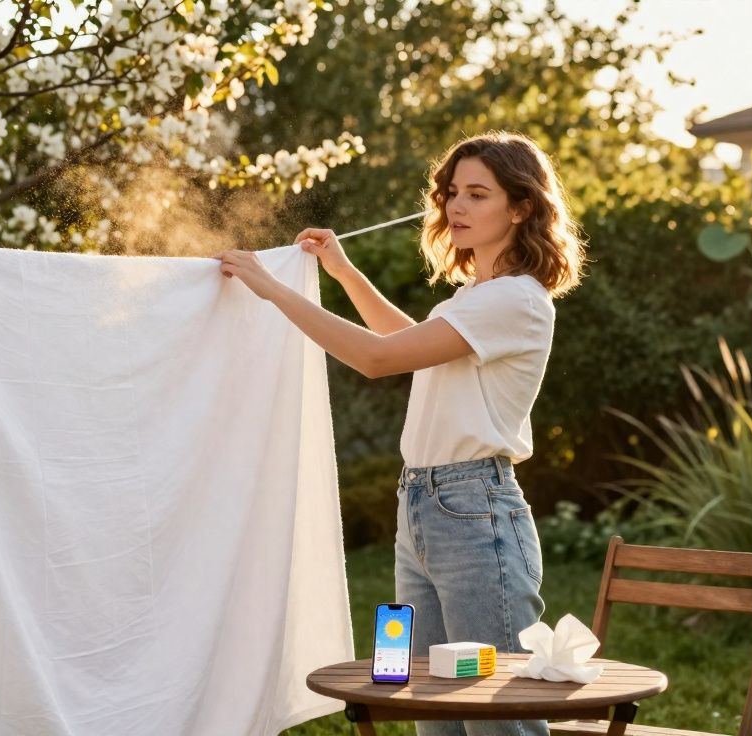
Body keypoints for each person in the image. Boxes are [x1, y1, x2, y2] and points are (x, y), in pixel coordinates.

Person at [216, 130, 585, 736]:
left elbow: (377, 359)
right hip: (422, 504)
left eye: (476, 194)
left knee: (495, 715)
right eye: (450, 193)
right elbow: (406, 346)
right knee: (425, 704)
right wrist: (342, 270)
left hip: (473, 511)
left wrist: (273, 290)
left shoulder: (517, 299)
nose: (455, 207)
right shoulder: (477, 297)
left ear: (520, 207)